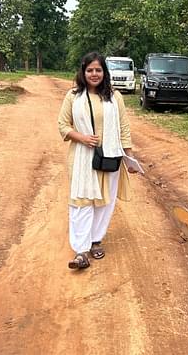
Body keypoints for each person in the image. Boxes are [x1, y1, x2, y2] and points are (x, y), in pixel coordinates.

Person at [57, 52, 138, 270]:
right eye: (90, 70)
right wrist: (82, 138)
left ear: (104, 72)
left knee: (105, 201)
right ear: (83, 72)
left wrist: (129, 158)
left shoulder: (114, 96)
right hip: (82, 158)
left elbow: (124, 128)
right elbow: (63, 125)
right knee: (82, 201)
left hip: (110, 157)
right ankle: (81, 251)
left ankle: (95, 240)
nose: (94, 74)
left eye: (98, 70)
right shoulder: (73, 96)